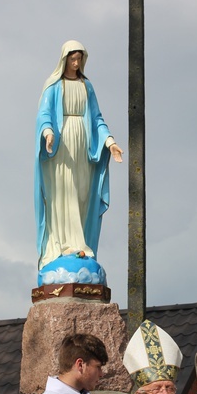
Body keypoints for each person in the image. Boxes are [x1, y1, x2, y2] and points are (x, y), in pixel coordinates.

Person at [35, 39, 123, 271]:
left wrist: (110, 141)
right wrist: (48, 132)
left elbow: (96, 118)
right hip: (62, 146)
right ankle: (65, 245)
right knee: (65, 192)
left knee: (83, 193)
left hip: (83, 146)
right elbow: (44, 113)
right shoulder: (54, 85)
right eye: (73, 58)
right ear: (64, 59)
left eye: (79, 59)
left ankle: (80, 243)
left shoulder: (86, 86)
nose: (76, 62)